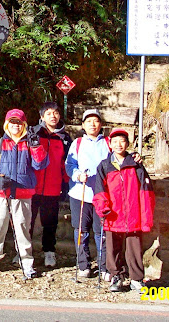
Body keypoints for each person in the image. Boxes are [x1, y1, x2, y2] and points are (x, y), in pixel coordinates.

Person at [0, 109, 49, 279]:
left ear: (24, 124)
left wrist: (36, 145)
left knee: (22, 229)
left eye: (19, 122)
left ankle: (26, 262)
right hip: (2, 195)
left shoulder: (30, 143)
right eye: (12, 121)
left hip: (23, 195)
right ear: (6, 123)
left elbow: (40, 164)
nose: (15, 125)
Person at [93, 128, 155, 293]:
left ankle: (136, 278)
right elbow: (99, 190)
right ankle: (116, 277)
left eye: (122, 141)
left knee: (134, 249)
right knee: (112, 249)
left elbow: (146, 192)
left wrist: (145, 216)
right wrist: (102, 208)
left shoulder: (136, 165)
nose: (118, 144)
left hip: (133, 214)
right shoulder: (104, 166)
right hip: (113, 215)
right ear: (110, 144)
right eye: (115, 141)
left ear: (127, 144)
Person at [64, 108, 109, 280]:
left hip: (102, 196)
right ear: (83, 125)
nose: (92, 124)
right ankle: (83, 264)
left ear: (101, 124)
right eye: (88, 121)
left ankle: (104, 266)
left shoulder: (108, 143)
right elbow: (69, 165)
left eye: (96, 120)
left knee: (101, 231)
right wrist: (77, 175)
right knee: (81, 230)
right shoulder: (77, 144)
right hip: (79, 194)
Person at [29, 102, 72, 267]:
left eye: (55, 113)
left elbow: (66, 163)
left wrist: (66, 185)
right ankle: (24, 253)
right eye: (48, 113)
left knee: (50, 223)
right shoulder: (33, 133)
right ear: (42, 117)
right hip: (33, 186)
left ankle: (49, 252)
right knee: (28, 221)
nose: (52, 116)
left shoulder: (65, 138)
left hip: (53, 188)